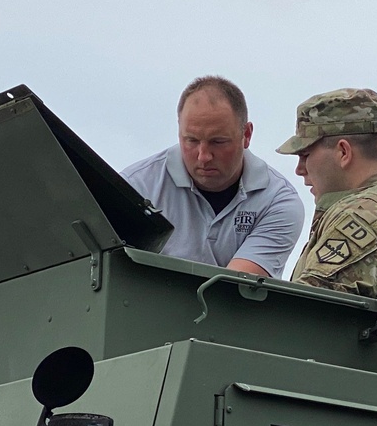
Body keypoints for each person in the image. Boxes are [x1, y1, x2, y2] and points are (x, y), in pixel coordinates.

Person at [122, 75, 304, 277]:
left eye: (218, 142)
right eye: (191, 140)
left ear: (247, 135)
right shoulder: (134, 188)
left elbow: (231, 289)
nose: (203, 156)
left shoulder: (278, 202)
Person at [275, 88, 377, 296]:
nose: (299, 169)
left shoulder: (366, 213)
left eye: (305, 155)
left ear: (343, 152)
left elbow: (308, 309)